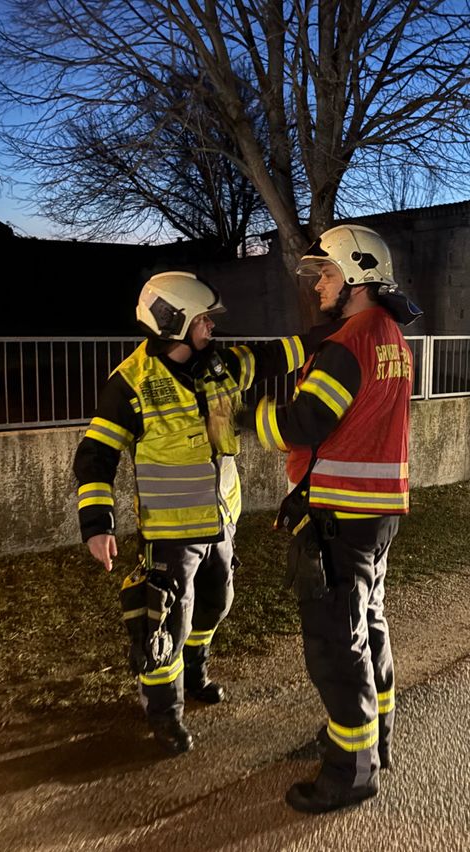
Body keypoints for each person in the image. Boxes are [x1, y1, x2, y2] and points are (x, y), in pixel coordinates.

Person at [73, 270, 333, 756]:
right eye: (203, 320)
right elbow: (95, 455)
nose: (212, 327)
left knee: (217, 602)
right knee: (166, 621)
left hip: (222, 523)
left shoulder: (220, 366)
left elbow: (274, 356)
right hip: (170, 533)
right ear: (173, 322)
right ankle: (164, 712)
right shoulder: (130, 384)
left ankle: (195, 672)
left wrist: (332, 333)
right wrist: (97, 525)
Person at [239, 225, 423, 813]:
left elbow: (304, 423)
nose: (318, 284)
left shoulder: (349, 342)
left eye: (326, 273)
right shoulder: (390, 334)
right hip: (377, 512)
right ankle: (375, 738)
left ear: (356, 277)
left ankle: (351, 771)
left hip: (340, 514)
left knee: (335, 646)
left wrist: (241, 416)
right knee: (367, 626)